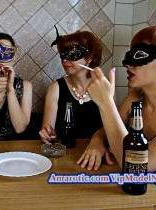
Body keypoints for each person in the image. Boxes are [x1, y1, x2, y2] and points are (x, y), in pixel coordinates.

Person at [85, 26, 156, 171]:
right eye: (129, 54)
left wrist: (106, 103)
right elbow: (105, 130)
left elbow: (137, 165)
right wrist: (97, 142)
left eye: (139, 55)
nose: (127, 63)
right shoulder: (135, 100)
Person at [39, 28, 111, 166]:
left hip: (97, 157)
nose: (65, 59)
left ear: (90, 58)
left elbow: (111, 126)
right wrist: (48, 135)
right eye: (63, 54)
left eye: (73, 54)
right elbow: (48, 130)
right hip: (64, 158)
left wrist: (98, 140)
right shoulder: (55, 88)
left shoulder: (102, 88)